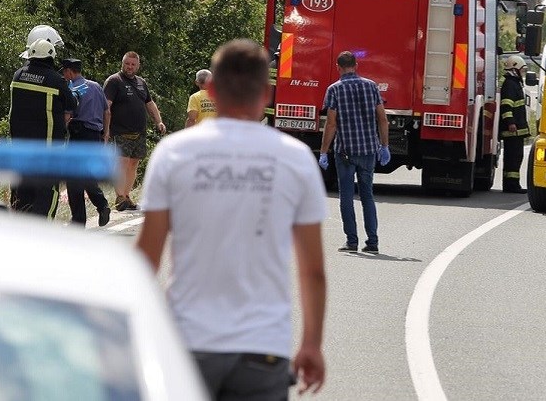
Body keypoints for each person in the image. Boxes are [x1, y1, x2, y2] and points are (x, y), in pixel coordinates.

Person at [136, 39, 327, 400]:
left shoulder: (174, 153)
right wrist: (312, 344)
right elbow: (313, 270)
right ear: (267, 94)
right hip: (263, 349)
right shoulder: (295, 158)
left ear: (210, 89)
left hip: (187, 345)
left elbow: (146, 258)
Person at [318, 51, 389, 254]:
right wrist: (384, 146)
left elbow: (331, 124)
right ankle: (373, 242)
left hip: (345, 152)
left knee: (346, 197)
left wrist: (324, 152)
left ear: (338, 67)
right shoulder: (371, 86)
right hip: (368, 150)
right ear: (356, 65)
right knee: (368, 196)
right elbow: (382, 119)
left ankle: (351, 241)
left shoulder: (334, 90)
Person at [8, 34, 76, 217]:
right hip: (48, 148)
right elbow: (72, 103)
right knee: (47, 190)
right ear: (51, 56)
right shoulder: (55, 79)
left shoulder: (18, 75)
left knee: (22, 189)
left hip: (20, 147)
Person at [103, 51, 167, 211]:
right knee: (122, 163)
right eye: (127, 63)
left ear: (137, 66)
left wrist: (159, 121)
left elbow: (150, 104)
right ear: (122, 63)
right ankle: (119, 197)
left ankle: (126, 196)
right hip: (120, 131)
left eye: (133, 64)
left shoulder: (141, 83)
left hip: (139, 131)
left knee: (133, 164)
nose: (129, 67)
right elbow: (106, 106)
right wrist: (105, 130)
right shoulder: (114, 81)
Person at [61, 58, 111, 227]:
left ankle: (78, 220)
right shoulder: (96, 86)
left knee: (73, 177)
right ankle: (102, 205)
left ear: (69, 71)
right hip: (95, 135)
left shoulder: (72, 88)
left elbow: (67, 116)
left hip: (79, 134)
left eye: (64, 72)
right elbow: (107, 111)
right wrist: (105, 133)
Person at [499, 54, 530, 194]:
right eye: (521, 70)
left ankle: (511, 184)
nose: (522, 73)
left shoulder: (514, 83)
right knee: (513, 158)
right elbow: (506, 106)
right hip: (512, 130)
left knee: (516, 157)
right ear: (515, 69)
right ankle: (511, 185)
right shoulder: (510, 84)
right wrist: (511, 123)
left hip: (516, 130)